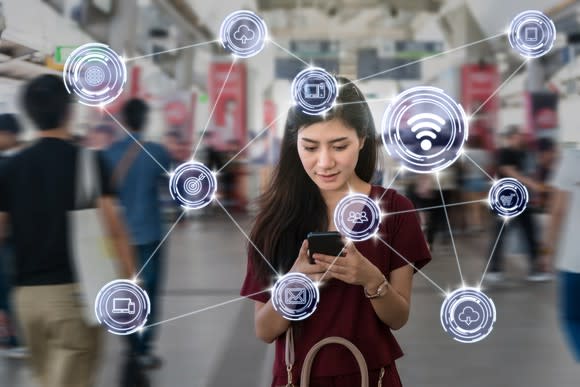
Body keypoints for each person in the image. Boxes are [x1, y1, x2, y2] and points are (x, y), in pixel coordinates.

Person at [240, 77, 431, 386]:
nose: (324, 162)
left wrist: (370, 279)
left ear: (363, 139)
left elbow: (398, 318)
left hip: (373, 378)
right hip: (296, 378)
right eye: (310, 147)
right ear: (294, 143)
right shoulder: (275, 220)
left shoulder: (395, 211)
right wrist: (297, 281)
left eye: (339, 146)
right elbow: (264, 330)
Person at [0, 74, 135, 387]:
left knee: (45, 378)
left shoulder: (11, 168)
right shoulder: (88, 162)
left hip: (27, 300)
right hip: (75, 296)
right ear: (69, 111)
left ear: (29, 114)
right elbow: (115, 230)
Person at [105, 98, 171, 370]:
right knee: (150, 292)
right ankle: (144, 349)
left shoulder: (107, 153)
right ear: (145, 119)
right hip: (150, 234)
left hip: (118, 236)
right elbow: (171, 186)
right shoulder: (157, 151)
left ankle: (130, 345)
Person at [485, 126, 551, 283]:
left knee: (530, 232)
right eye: (517, 135)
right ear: (510, 137)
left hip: (523, 200)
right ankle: (494, 270)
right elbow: (509, 171)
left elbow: (530, 170)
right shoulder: (505, 152)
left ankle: (535, 270)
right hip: (507, 200)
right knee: (500, 235)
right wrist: (532, 184)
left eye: (521, 135)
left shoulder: (524, 153)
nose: (520, 138)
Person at [544, 148, 580, 362]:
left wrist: (547, 250)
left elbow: (557, 210)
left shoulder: (573, 158)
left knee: (572, 319)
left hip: (574, 260)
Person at [0, 113, 28, 359]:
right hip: (18, 237)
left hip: (7, 239)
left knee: (7, 289)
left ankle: (16, 338)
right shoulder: (25, 161)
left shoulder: (8, 165)